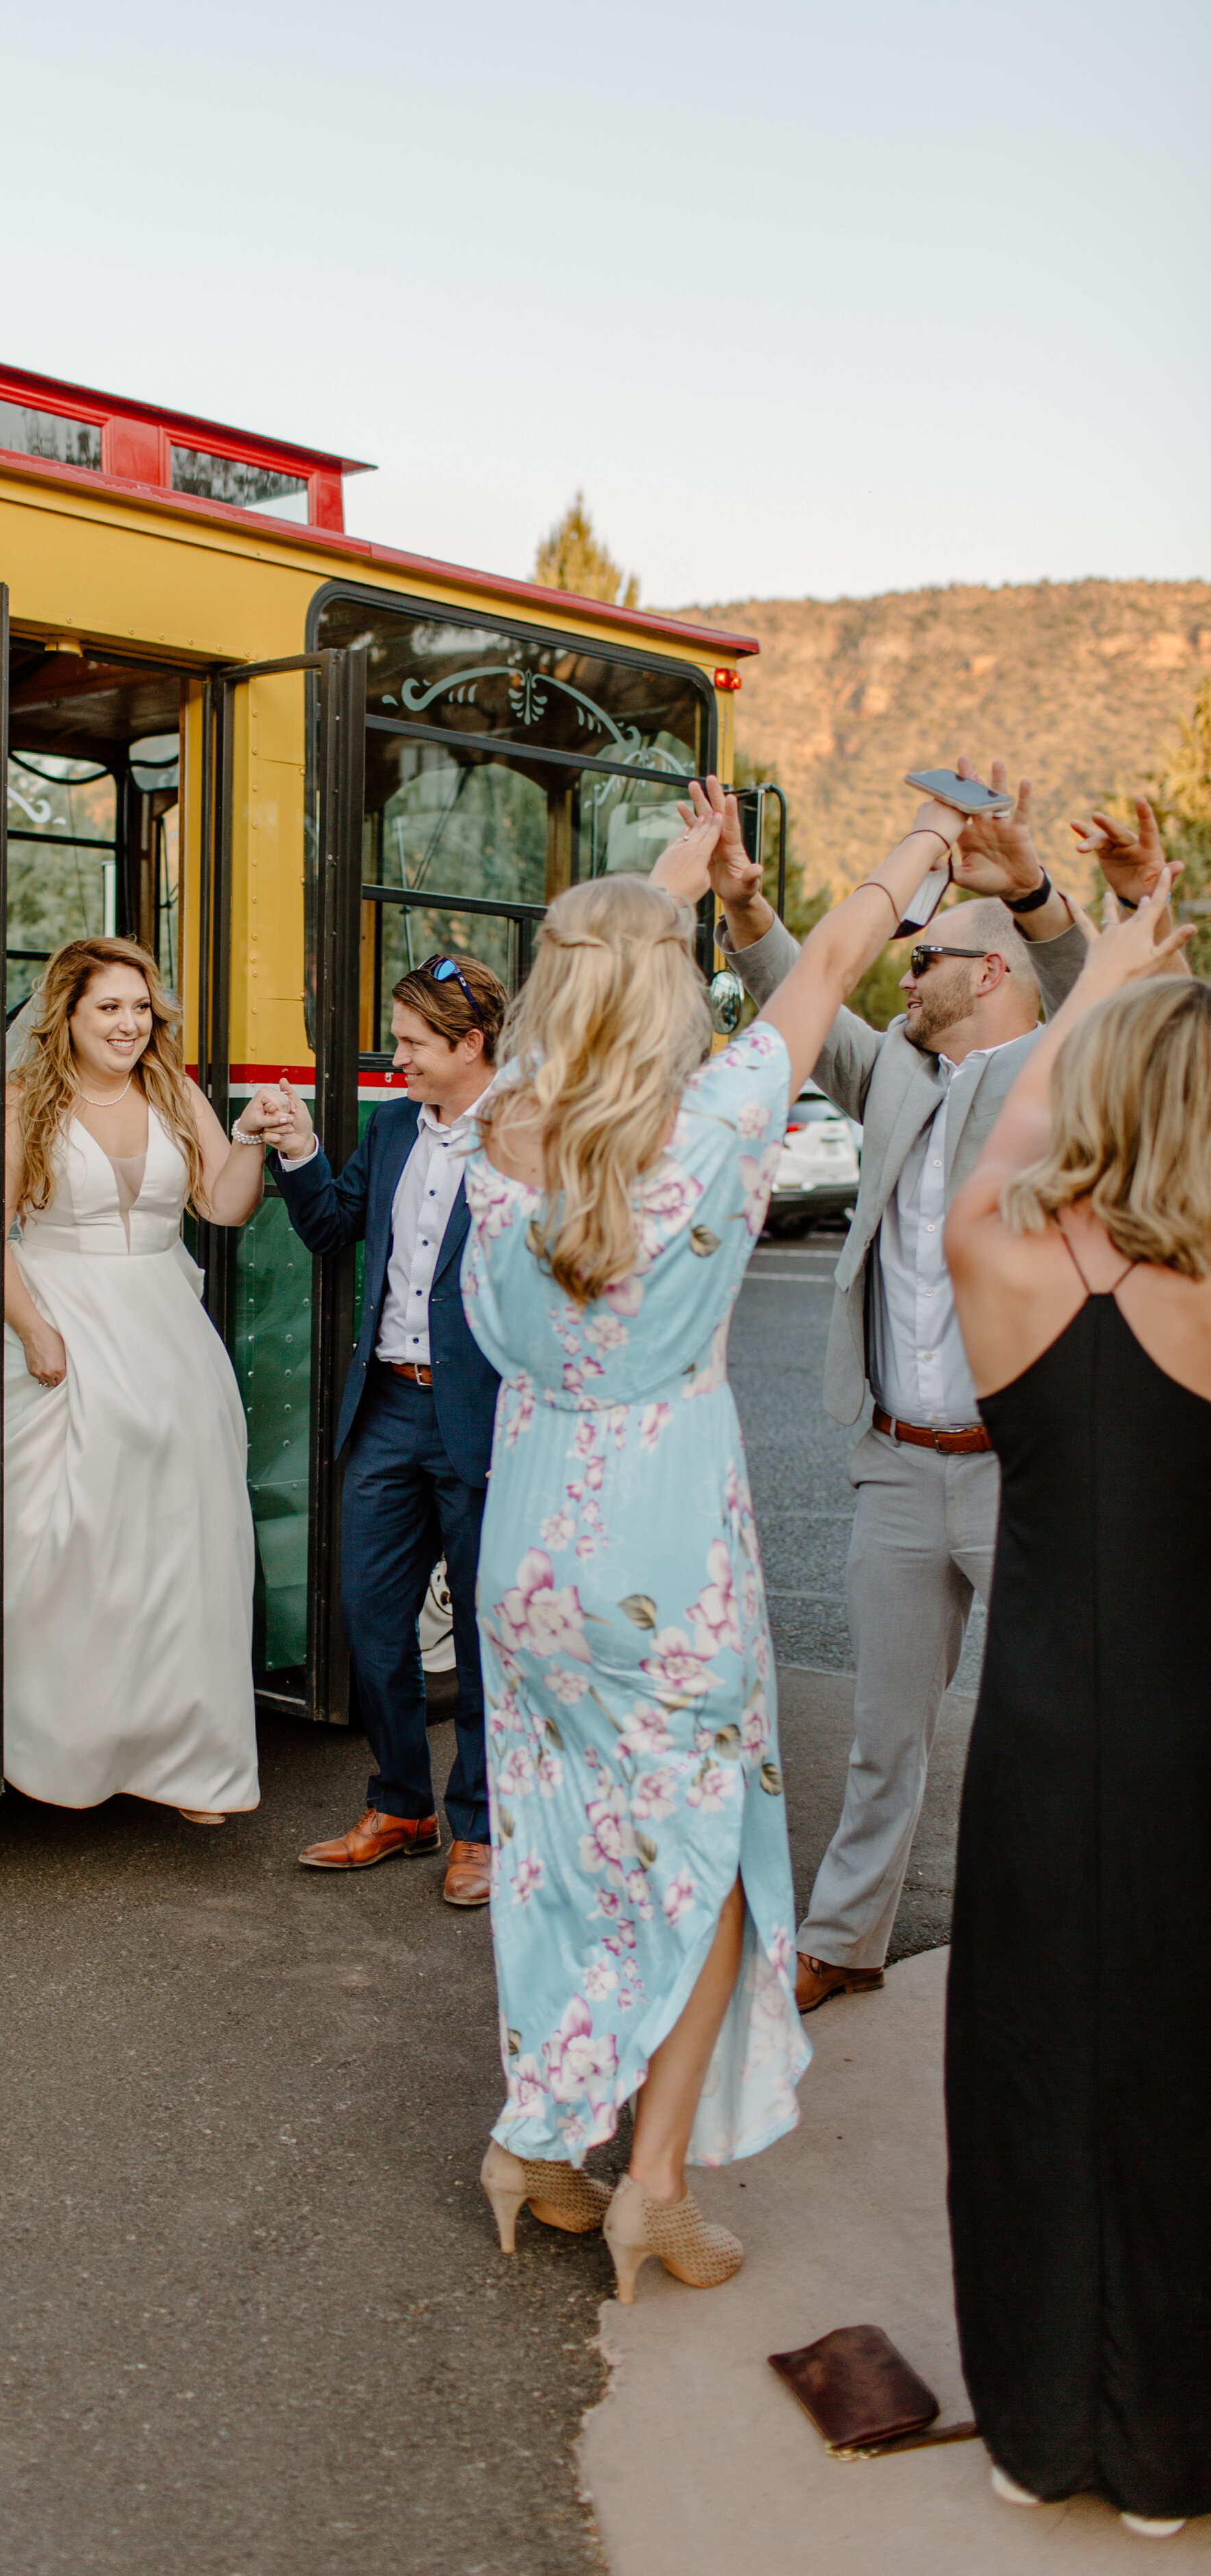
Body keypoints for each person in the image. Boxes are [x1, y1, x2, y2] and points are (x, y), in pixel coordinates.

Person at [466, 778, 978, 2294]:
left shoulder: (501, 1125)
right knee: (708, 1866)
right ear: (671, 987)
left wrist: (664, 880)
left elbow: (601, 970)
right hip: (662, 1545)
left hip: (526, 1550)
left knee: (556, 1851)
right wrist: (924, 849)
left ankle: (534, 2145)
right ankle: (653, 2191)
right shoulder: (723, 1114)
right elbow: (828, 957)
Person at [714, 762, 1089, 2011]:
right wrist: (751, 912)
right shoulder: (896, 1079)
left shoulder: (1066, 1079)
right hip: (892, 1462)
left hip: (1020, 1472)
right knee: (883, 1737)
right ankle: (845, 1938)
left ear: (988, 971)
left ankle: (1078, 1960)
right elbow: (804, 1000)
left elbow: (1111, 1001)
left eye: (922, 961)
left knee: (1064, 1731)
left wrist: (1033, 889)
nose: (901, 976)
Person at [942, 868, 1206, 2539]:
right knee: (1181, 2063)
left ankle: (1037, 2426)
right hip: (1190, 1726)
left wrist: (1100, 971)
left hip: (1035, 1726)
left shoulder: (993, 1251)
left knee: (1031, 2054)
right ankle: (1172, 2456)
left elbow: (1004, 1134)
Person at [0, 936, 288, 1824]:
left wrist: (250, 1142)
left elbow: (223, 1205)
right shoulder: (20, 1103)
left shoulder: (173, 1093)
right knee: (75, 1546)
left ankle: (187, 1762)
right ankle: (75, 1744)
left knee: (185, 1550)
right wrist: (36, 1329)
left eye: (138, 1007)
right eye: (107, 1008)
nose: (128, 1024)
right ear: (67, 1017)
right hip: (63, 1330)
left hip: (169, 1336)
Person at [262, 953, 507, 1907]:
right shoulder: (395, 1123)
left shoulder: (527, 1132)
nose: (395, 1056)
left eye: (411, 1042)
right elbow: (329, 1226)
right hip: (389, 1408)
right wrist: (295, 1147)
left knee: (488, 1634)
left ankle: (478, 1825)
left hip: (484, 1414)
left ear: (469, 1043)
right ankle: (401, 1802)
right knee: (369, 1619)